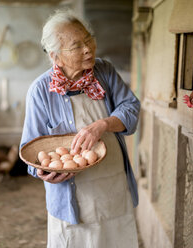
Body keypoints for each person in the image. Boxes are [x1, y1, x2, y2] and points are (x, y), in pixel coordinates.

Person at [20, 9, 140, 248]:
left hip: (113, 190)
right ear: (56, 57)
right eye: (77, 46)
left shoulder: (104, 71)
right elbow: (30, 148)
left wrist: (103, 124)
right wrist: (44, 172)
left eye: (88, 39)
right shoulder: (40, 91)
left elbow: (131, 108)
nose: (88, 48)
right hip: (72, 201)